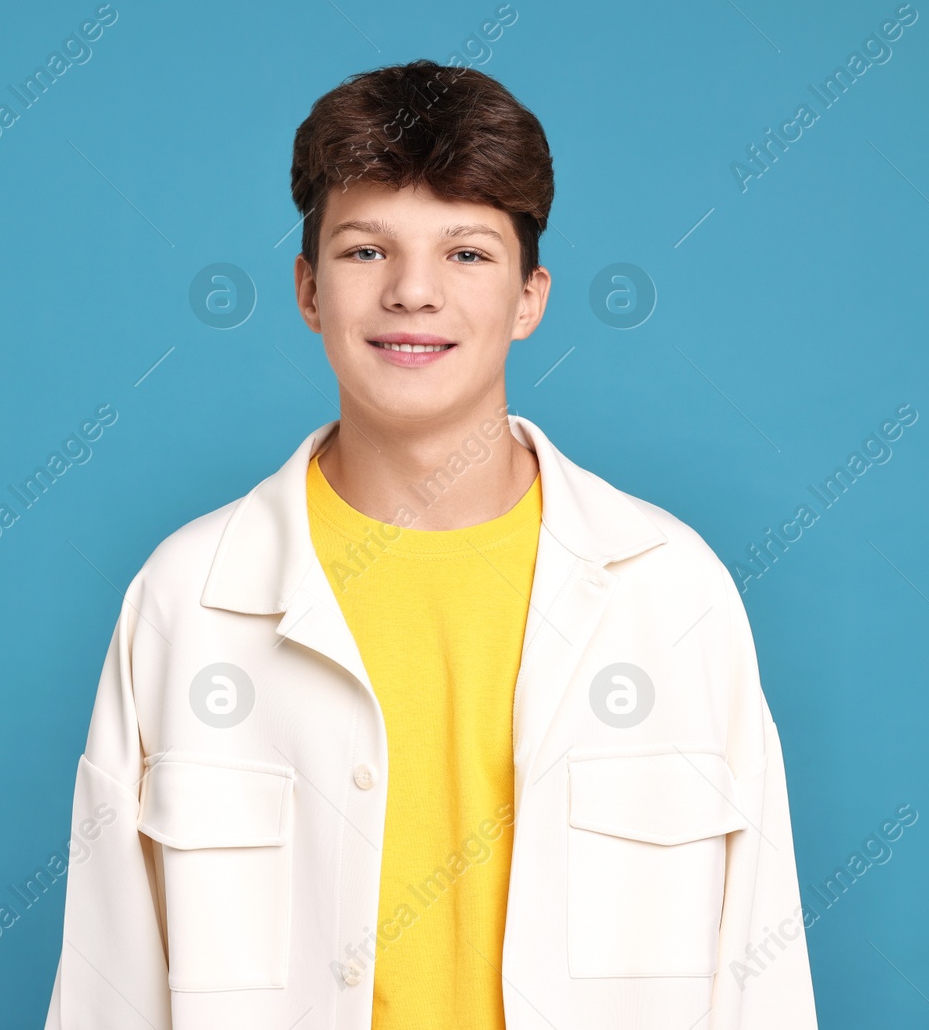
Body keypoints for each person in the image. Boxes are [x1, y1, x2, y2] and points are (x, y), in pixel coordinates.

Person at [44, 58, 818, 1030]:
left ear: (530, 295)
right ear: (307, 288)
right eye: (366, 251)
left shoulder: (672, 592)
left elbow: (759, 978)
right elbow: (107, 978)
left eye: (466, 253)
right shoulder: (186, 597)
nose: (413, 292)